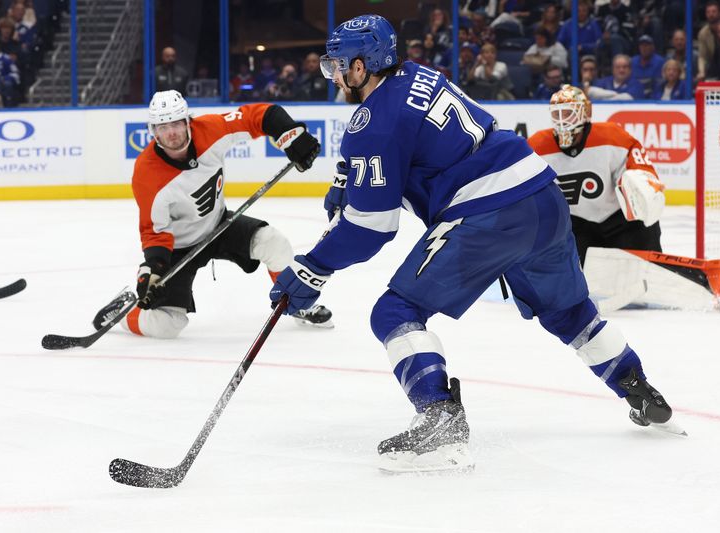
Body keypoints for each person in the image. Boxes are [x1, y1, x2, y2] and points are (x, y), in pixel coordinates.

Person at [269, 15, 677, 473]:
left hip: (489, 210)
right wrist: (352, 173)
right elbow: (424, 141)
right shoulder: (419, 73)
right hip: (541, 192)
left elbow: (372, 228)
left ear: (363, 67)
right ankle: (638, 388)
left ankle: (440, 421)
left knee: (394, 313)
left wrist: (313, 267)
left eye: (340, 65)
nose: (336, 75)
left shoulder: (373, 123)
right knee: (569, 313)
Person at [92, 90, 333, 339]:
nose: (171, 133)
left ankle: (298, 304)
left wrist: (290, 134)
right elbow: (154, 231)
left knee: (274, 243)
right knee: (168, 325)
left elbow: (260, 116)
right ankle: (125, 312)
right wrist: (152, 268)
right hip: (180, 248)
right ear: (152, 131)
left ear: (188, 121)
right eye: (163, 127)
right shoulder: (146, 173)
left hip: (219, 226)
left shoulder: (210, 129)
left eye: (176, 123)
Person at [527, 85, 664, 265]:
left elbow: (641, 169)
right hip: (576, 226)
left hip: (620, 222)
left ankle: (654, 269)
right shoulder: (537, 146)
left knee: (643, 225)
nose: (562, 120)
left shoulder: (612, 137)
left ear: (585, 112)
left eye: (568, 113)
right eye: (557, 113)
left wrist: (641, 182)